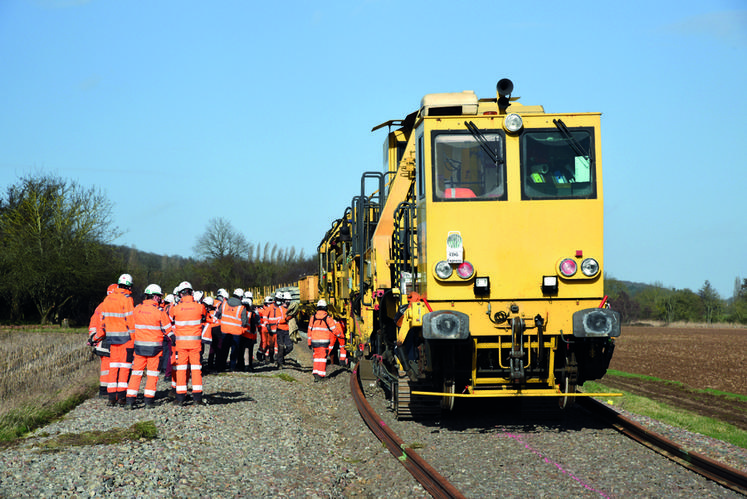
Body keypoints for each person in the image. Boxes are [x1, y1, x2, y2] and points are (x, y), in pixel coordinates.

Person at [125, 284, 174, 409]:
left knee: (136, 374)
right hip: (155, 349)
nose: (160, 299)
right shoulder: (159, 312)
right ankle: (148, 401)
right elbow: (168, 330)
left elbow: (130, 325)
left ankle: (130, 401)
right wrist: (175, 340)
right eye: (159, 296)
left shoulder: (137, 309)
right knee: (152, 375)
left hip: (139, 348)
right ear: (155, 297)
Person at [94, 273, 135, 406]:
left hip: (111, 338)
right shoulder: (127, 299)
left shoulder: (107, 299)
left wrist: (97, 336)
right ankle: (122, 396)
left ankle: (111, 397)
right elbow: (131, 321)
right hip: (125, 338)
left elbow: (102, 321)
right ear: (129, 286)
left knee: (113, 367)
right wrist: (134, 339)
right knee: (124, 367)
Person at [169, 281, 209, 406]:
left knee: (181, 370)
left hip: (181, 345)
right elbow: (207, 318)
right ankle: (197, 398)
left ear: (180, 294)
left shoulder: (175, 308)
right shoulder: (200, 307)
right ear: (192, 292)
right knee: (196, 370)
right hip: (195, 345)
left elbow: (169, 321)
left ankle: (180, 398)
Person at [87, 284, 118, 398]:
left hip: (100, 342)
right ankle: (111, 391)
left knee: (105, 368)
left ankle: (104, 390)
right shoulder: (116, 307)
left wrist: (93, 338)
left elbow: (93, 323)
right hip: (110, 341)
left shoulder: (100, 307)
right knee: (112, 368)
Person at [307, 299, 341, 382]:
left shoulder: (313, 318)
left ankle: (315, 372)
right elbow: (334, 329)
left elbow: (309, 330)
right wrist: (339, 334)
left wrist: (309, 342)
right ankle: (321, 375)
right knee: (322, 358)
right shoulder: (328, 318)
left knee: (316, 357)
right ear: (325, 308)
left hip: (314, 341)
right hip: (324, 342)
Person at [215, 288, 248, 372]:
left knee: (224, 350)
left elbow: (218, 315)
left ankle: (221, 367)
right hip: (236, 332)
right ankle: (232, 367)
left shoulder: (224, 304)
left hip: (224, 331)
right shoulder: (242, 308)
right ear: (241, 297)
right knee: (234, 351)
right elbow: (244, 322)